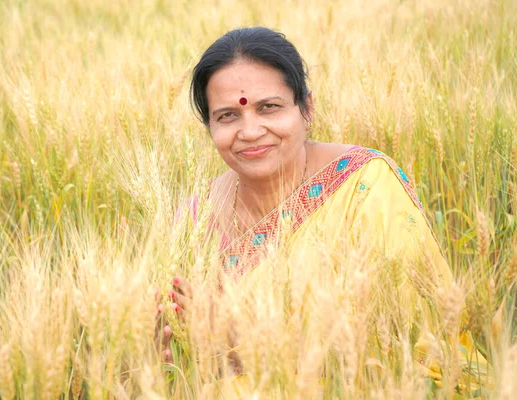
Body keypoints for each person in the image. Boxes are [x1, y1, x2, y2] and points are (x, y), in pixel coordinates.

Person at [156, 27, 491, 395]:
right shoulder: (194, 218)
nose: (250, 131)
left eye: (269, 107)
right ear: (210, 127)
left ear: (306, 108)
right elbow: (179, 360)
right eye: (227, 116)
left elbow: (412, 341)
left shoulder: (363, 185)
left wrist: (242, 340)